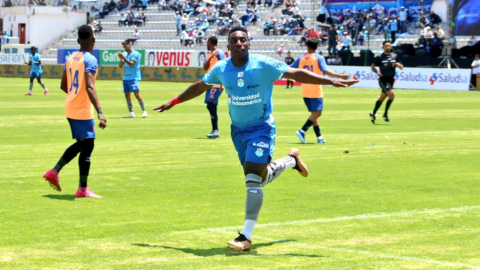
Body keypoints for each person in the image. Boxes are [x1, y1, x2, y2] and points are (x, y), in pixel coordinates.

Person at [153, 26, 358, 252]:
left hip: (261, 128)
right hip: (238, 131)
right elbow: (200, 86)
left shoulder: (263, 64)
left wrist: (330, 81)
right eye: (234, 40)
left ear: (249, 43)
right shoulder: (221, 68)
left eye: (243, 39)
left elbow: (296, 73)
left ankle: (245, 236)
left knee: (251, 180)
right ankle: (291, 160)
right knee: (258, 180)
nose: (239, 43)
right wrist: (173, 101)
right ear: (228, 46)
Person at [43, 25, 107, 198]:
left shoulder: (71, 58)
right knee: (88, 144)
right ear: (94, 40)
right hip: (82, 110)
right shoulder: (91, 60)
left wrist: (74, 95)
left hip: (70, 106)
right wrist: (100, 112)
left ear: (78, 40)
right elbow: (90, 86)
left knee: (85, 144)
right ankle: (60, 175)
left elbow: (63, 85)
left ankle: (78, 186)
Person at [290, 38, 350, 144]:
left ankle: (319, 137)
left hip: (305, 89)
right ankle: (302, 130)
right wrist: (340, 76)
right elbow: (325, 70)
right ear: (317, 47)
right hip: (315, 88)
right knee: (318, 113)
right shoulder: (318, 57)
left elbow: (290, 68)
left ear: (307, 47)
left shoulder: (301, 58)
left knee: (314, 114)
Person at [369, 41, 403, 124]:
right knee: (392, 96)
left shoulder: (395, 56)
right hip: (383, 80)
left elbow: (401, 67)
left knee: (382, 98)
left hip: (391, 80)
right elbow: (372, 67)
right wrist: (377, 72)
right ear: (383, 47)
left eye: (389, 46)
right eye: (386, 46)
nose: (388, 47)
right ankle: (385, 114)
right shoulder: (379, 57)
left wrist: (399, 65)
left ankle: (373, 113)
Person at [117, 40, 147, 118]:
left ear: (130, 45)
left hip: (133, 77)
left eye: (125, 46)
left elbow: (131, 64)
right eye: (123, 47)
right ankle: (131, 113)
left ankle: (144, 111)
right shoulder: (124, 54)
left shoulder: (136, 54)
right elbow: (120, 66)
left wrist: (123, 57)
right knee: (127, 95)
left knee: (136, 94)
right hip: (126, 77)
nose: (124, 48)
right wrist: (121, 59)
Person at [202, 36, 226, 138]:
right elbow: (205, 68)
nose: (206, 45)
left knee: (211, 104)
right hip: (210, 84)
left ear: (210, 42)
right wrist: (211, 57)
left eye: (207, 43)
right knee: (210, 105)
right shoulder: (210, 55)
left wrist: (221, 84)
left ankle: (215, 130)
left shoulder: (219, 53)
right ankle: (215, 130)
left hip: (217, 84)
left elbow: (223, 66)